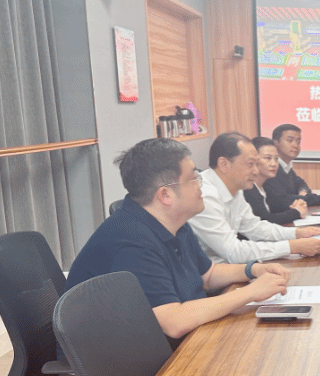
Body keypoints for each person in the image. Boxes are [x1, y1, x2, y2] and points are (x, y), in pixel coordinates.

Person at [64, 138, 291, 340]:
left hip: (177, 341)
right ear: (165, 195)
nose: (201, 184)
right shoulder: (131, 240)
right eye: (193, 178)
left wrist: (253, 270)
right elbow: (174, 322)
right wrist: (251, 292)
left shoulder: (175, 222)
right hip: (128, 361)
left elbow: (208, 275)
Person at [189, 132, 320, 263]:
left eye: (256, 164)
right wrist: (291, 247)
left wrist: (297, 233)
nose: (256, 171)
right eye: (250, 164)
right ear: (224, 164)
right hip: (209, 275)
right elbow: (233, 252)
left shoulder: (235, 188)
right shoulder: (204, 196)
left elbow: (255, 228)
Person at [265, 124, 320, 211]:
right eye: (290, 140)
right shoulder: (270, 169)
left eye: (298, 142)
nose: (295, 145)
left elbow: (301, 184)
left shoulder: (287, 167)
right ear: (275, 143)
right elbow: (282, 200)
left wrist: (303, 191)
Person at [244, 136, 308, 225]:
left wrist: (295, 207)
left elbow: (275, 208)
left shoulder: (265, 185)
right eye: (268, 158)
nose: (274, 164)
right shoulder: (248, 189)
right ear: (254, 160)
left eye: (276, 159)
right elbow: (265, 221)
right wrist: (296, 212)